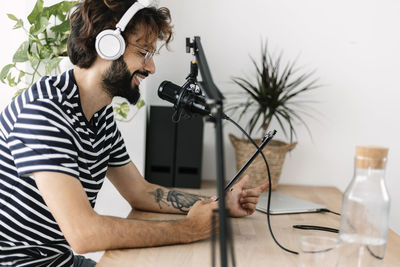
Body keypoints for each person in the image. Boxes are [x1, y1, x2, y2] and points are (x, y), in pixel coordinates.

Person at [0, 0, 267, 266]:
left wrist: (218, 203)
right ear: (107, 45)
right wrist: (187, 230)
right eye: (144, 53)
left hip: (60, 262)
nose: (151, 68)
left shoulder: (99, 112)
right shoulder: (44, 113)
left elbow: (139, 192)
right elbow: (83, 233)